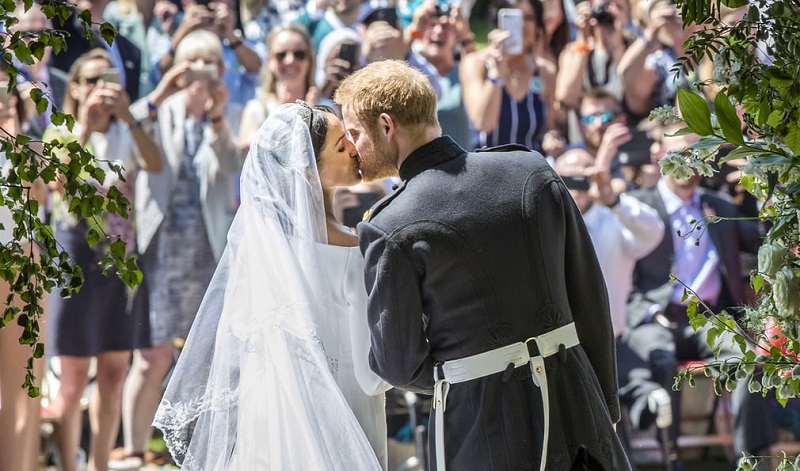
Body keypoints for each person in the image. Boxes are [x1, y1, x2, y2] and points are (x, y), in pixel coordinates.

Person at [334, 59, 631, 470]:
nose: (353, 148)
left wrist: (468, 372)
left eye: (354, 133)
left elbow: (399, 364)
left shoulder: (388, 225)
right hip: (579, 407)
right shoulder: (530, 170)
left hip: (483, 427)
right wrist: (606, 404)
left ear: (387, 126)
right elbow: (589, 293)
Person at [153, 101, 390, 469]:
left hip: (270, 424)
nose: (355, 150)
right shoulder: (354, 251)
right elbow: (371, 377)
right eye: (342, 145)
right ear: (309, 170)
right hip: (347, 424)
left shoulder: (261, 251)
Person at [112, 29, 243, 469]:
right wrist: (161, 91)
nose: (201, 74)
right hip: (161, 247)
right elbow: (121, 138)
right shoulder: (159, 108)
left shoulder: (227, 112)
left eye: (210, 63)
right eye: (193, 63)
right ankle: (133, 449)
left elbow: (230, 167)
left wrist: (218, 117)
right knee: (152, 355)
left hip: (209, 248)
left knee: (208, 352)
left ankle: (199, 450)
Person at [624, 128, 776, 466]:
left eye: (696, 153)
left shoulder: (719, 206)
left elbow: (766, 244)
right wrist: (646, 313)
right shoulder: (638, 206)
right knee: (661, 361)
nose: (688, 162)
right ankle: (670, 456)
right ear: (659, 154)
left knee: (747, 361)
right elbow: (621, 272)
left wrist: (763, 189)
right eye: (679, 152)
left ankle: (750, 458)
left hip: (712, 318)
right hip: (658, 318)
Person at [43, 47, 162, 471]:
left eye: (107, 78)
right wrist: (87, 128)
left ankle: (100, 466)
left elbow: (156, 163)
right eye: (91, 80)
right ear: (73, 87)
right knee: (73, 380)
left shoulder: (127, 130)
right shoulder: (61, 129)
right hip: (74, 258)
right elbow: (57, 181)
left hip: (121, 262)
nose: (100, 88)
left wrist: (127, 116)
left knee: (114, 372)